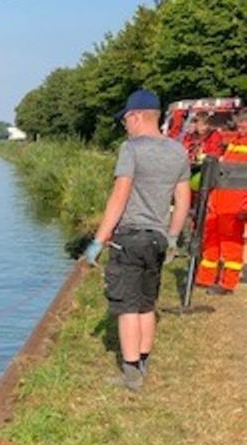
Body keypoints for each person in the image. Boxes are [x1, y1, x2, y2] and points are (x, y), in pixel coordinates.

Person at [85, 89, 191, 391]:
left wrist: (98, 240)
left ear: (137, 116)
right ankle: (142, 361)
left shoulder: (130, 149)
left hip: (130, 238)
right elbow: (182, 199)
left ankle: (131, 375)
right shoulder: (178, 151)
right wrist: (172, 237)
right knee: (147, 303)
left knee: (127, 306)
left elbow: (119, 196)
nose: (125, 126)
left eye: (126, 120)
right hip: (157, 239)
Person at [196, 110, 247, 293]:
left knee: (231, 244)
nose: (241, 126)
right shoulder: (234, 143)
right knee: (211, 239)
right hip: (219, 200)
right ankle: (205, 277)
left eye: (244, 123)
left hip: (236, 206)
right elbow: (223, 174)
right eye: (240, 123)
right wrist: (212, 197)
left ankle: (227, 283)